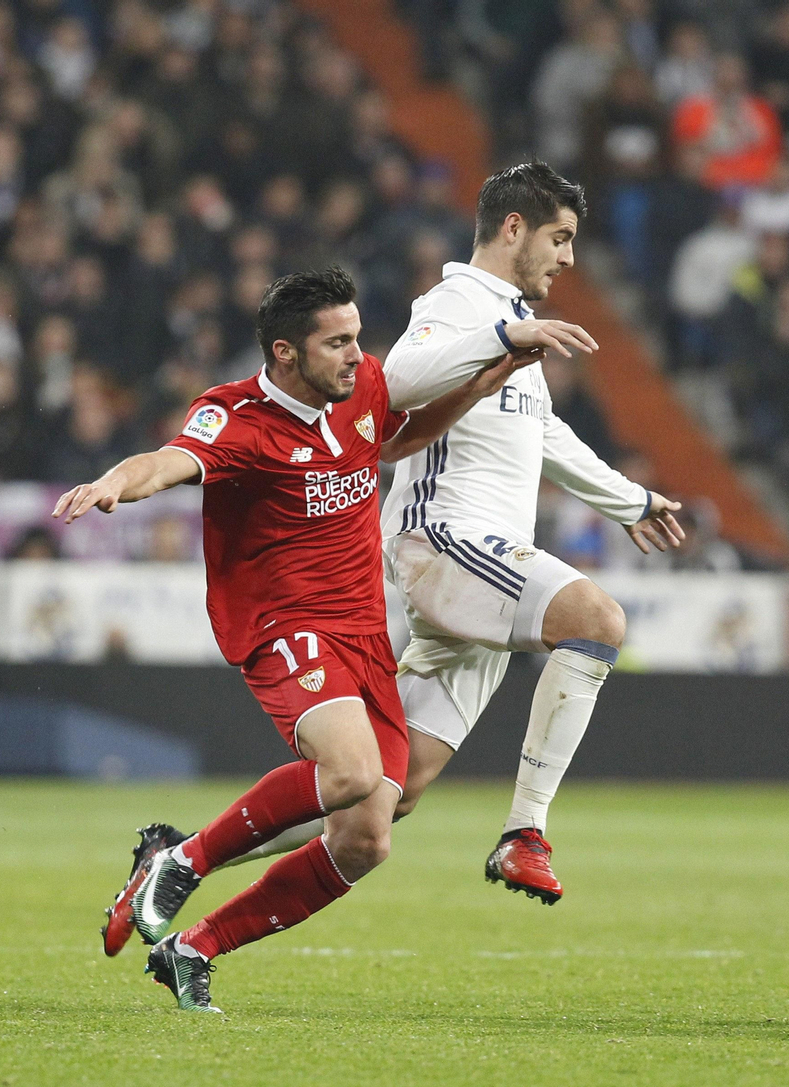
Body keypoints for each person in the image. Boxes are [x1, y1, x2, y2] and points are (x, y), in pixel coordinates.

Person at [62, 267, 535, 1011]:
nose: (356, 355)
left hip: (363, 632)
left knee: (366, 838)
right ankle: (180, 861)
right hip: (283, 624)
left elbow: (392, 440)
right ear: (286, 352)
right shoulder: (236, 417)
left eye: (356, 337)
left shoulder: (364, 389)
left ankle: (194, 947)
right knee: (349, 772)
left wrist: (474, 389)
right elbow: (169, 459)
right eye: (337, 342)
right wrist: (119, 482)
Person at [218, 163, 683, 905]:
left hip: (485, 569)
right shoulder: (460, 302)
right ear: (512, 229)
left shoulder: (509, 319)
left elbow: (542, 433)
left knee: (375, 799)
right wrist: (503, 332)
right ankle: (525, 832)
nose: (567, 257)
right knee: (595, 620)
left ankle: (181, 862)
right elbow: (396, 379)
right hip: (449, 542)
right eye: (559, 238)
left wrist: (628, 499)